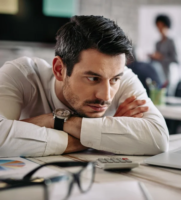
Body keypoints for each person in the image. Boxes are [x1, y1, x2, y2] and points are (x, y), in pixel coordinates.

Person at [0, 16, 169, 157]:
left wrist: (57, 122)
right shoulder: (21, 74)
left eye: (114, 80)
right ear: (59, 69)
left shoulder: (122, 76)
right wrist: (102, 137)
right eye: (93, 78)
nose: (106, 96)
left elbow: (159, 138)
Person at [149, 14, 178, 80]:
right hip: (159, 74)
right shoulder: (157, 43)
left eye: (161, 26)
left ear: (167, 26)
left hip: (170, 75)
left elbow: (176, 60)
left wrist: (161, 57)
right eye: (158, 26)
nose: (159, 29)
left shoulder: (172, 42)